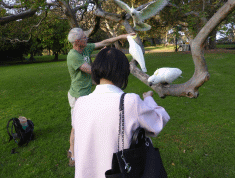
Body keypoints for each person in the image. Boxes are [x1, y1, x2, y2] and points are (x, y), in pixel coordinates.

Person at [72, 47, 170, 178]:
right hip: (119, 173)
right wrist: (149, 99)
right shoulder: (130, 102)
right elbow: (159, 121)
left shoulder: (80, 103)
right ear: (123, 72)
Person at [67, 28, 135, 166]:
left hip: (87, 93)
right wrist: (107, 61)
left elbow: (104, 41)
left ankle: (79, 148)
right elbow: (93, 71)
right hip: (78, 95)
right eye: (84, 38)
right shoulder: (73, 55)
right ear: (77, 42)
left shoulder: (85, 48)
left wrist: (123, 35)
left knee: (87, 124)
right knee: (76, 127)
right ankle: (73, 155)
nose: (87, 39)